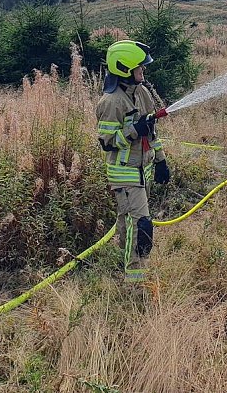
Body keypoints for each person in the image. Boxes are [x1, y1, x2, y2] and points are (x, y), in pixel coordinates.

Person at [96, 40, 170, 283]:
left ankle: (121, 268)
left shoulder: (142, 93)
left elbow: (151, 131)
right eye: (139, 67)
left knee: (127, 224)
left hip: (143, 169)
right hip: (125, 173)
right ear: (124, 69)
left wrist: (160, 160)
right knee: (142, 228)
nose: (143, 71)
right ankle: (134, 286)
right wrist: (133, 131)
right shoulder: (111, 102)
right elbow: (107, 142)